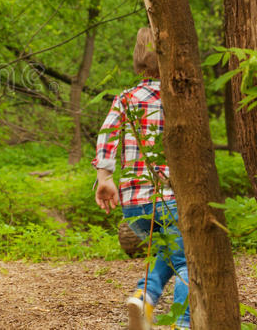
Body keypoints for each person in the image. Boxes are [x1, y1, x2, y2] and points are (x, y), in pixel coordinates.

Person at [93, 26, 190, 330]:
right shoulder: (178, 98)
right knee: (188, 261)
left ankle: (143, 298)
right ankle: (183, 324)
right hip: (169, 197)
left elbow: (106, 137)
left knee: (166, 252)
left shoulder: (125, 98)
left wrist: (104, 178)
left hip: (134, 204)